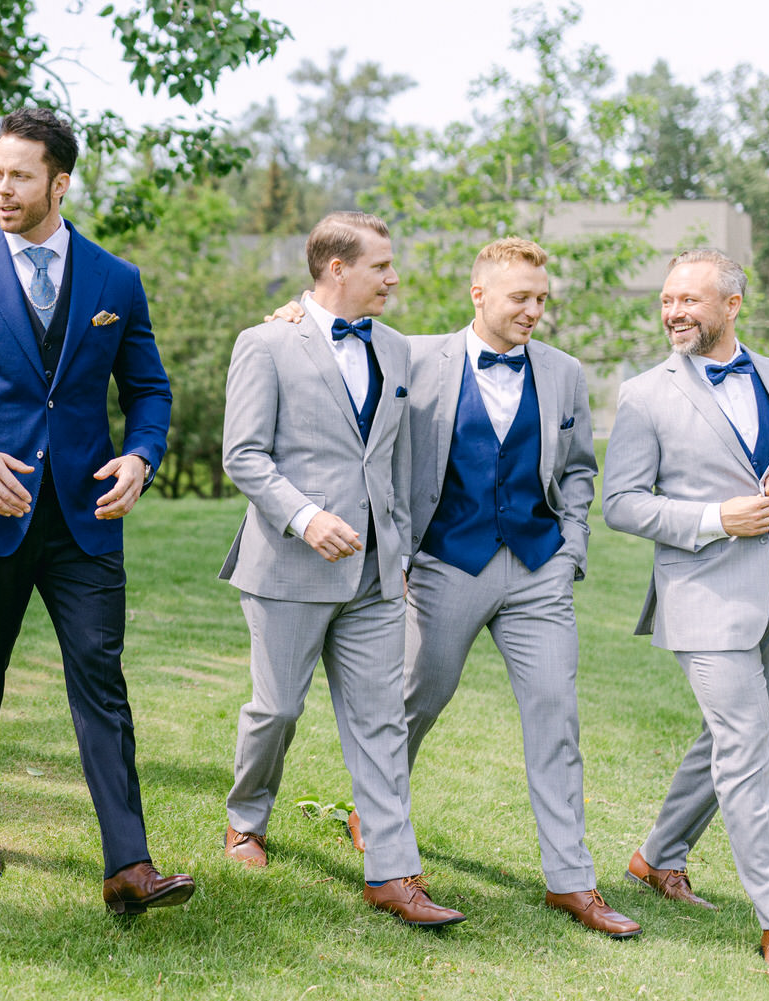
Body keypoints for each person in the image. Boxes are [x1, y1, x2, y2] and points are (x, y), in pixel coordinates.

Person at [267, 237, 640, 938]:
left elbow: (582, 467)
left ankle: (573, 880)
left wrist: (572, 549)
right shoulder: (414, 357)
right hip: (444, 562)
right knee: (418, 697)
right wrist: (291, 311)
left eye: (541, 298)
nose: (535, 310)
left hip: (536, 566)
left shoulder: (563, 371)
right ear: (479, 295)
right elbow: (332, 328)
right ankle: (374, 811)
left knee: (557, 715)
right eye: (520, 298)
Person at [0, 107, 193, 916]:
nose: (3, 188)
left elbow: (150, 392)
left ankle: (129, 863)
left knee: (102, 678)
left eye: (20, 175)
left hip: (87, 516)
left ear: (60, 182)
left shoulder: (114, 280)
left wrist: (141, 454)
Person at [603, 248, 769, 976]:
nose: (674, 312)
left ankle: (657, 855)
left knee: (726, 740)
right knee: (747, 752)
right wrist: (715, 517)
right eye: (667, 300)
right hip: (704, 599)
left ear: (732, 305)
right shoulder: (645, 395)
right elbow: (621, 503)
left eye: (689, 299)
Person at [219, 212, 464, 927]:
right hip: (289, 566)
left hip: (377, 577)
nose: (394, 277)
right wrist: (304, 516)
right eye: (381, 266)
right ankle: (245, 819)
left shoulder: (397, 348)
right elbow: (244, 455)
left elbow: (403, 457)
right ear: (336, 269)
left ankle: (393, 873)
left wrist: (405, 546)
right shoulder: (265, 343)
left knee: (381, 722)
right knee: (278, 709)